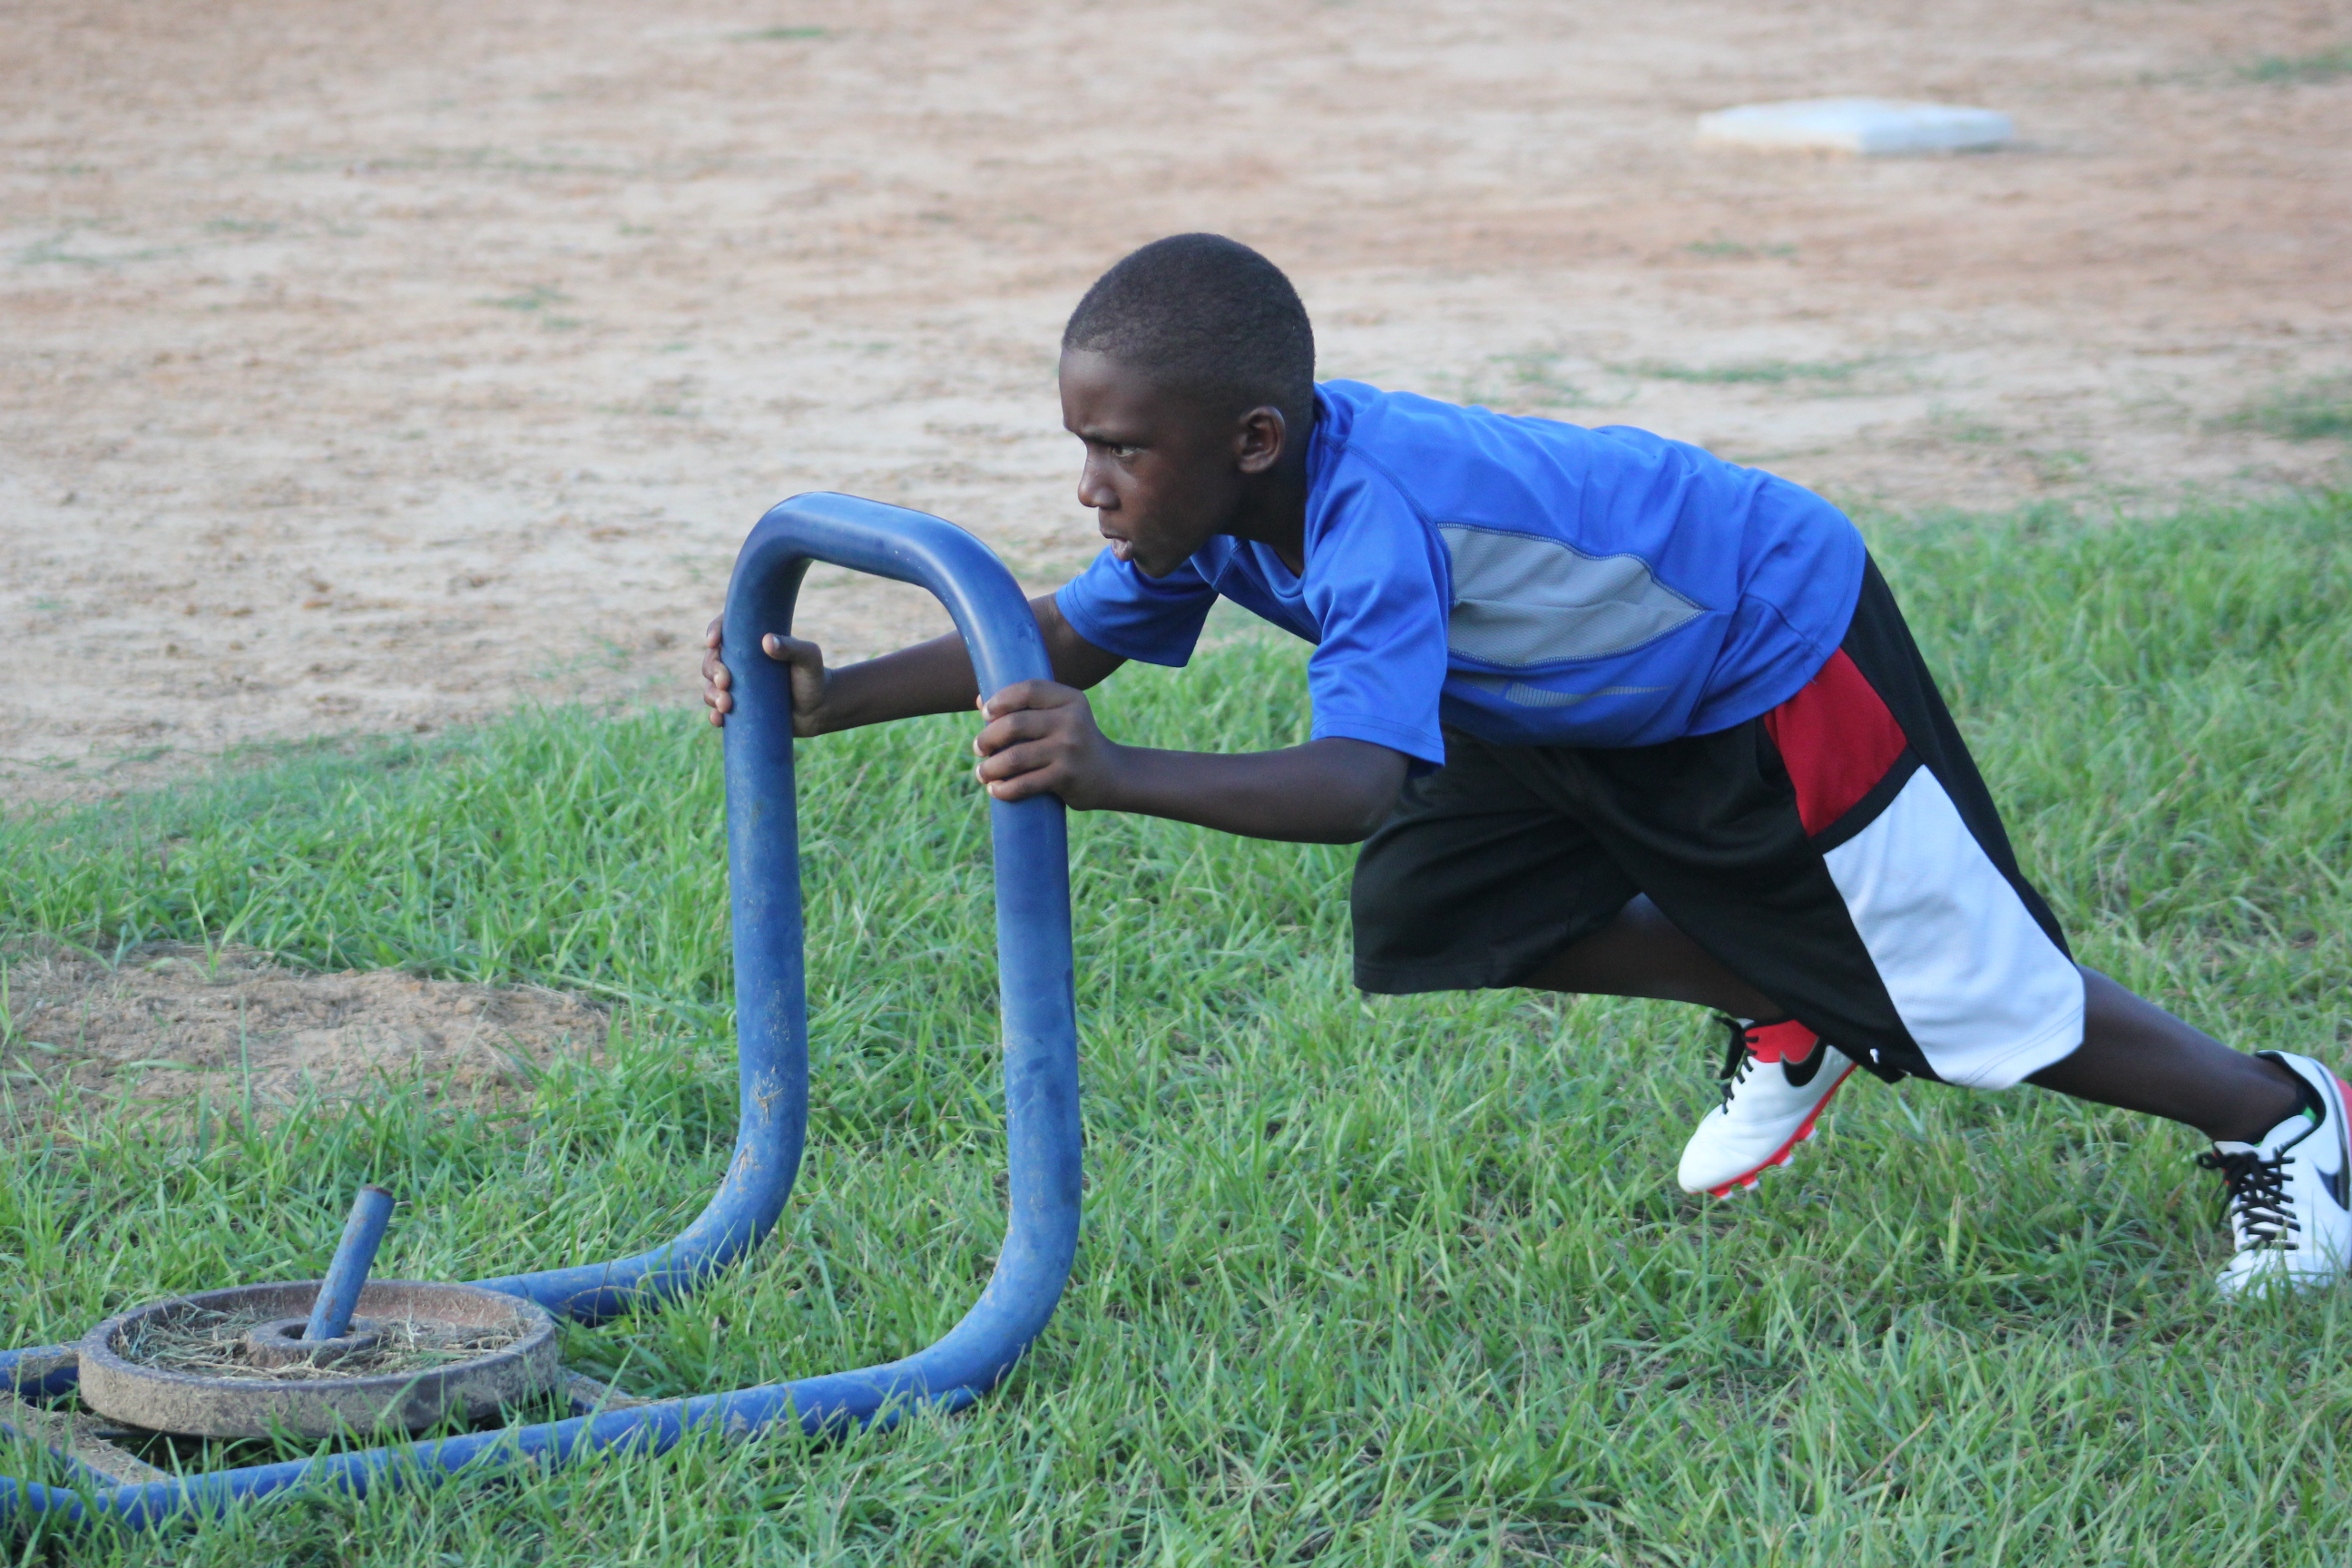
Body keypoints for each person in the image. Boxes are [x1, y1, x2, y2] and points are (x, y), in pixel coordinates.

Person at [703, 232, 2348, 1300]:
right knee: (1439, 905)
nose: (1093, 487)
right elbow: (1064, 633)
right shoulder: (1222, 508)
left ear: (1252, 439)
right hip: (1569, 697)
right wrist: (834, 698)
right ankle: (1788, 1000)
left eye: (1120, 450)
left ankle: (2282, 1118)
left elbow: (1353, 781)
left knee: (1962, 998)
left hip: (1767, 651)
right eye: (1085, 446)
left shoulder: (1372, 515)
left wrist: (1116, 772)